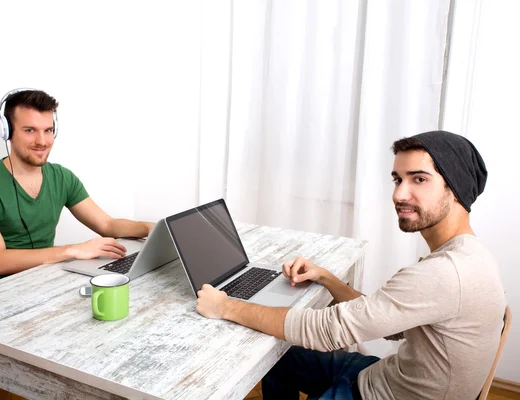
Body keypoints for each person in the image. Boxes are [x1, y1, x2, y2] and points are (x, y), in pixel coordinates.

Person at [195, 131, 505, 400]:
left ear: (456, 187)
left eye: (419, 179)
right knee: (279, 360)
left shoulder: (443, 273)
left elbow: (326, 331)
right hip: (388, 379)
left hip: (382, 394)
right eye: (398, 179)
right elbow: (391, 324)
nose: (399, 194)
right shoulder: (468, 256)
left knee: (278, 349)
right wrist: (326, 278)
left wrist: (225, 306)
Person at [0, 89, 153, 288]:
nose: (42, 141)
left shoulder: (62, 177)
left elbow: (106, 225)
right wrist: (73, 250)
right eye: (30, 130)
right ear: (7, 132)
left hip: (43, 283)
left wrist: (148, 228)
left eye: (48, 130)